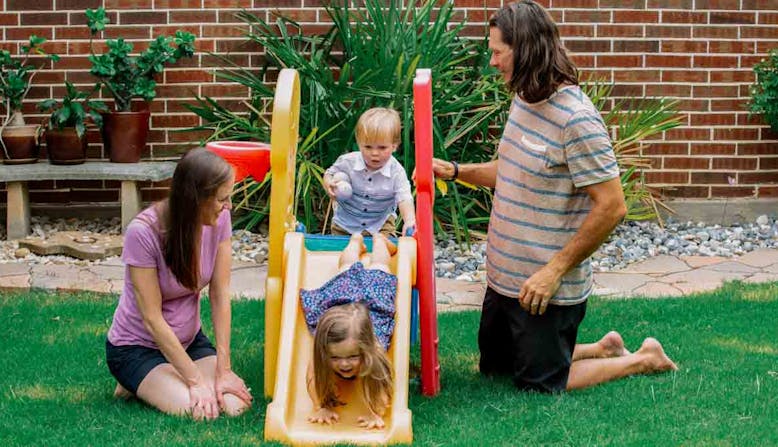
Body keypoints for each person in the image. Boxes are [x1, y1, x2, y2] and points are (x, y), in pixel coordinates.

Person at [430, 1, 677, 393]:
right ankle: (603, 347)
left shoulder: (576, 119)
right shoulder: (525, 99)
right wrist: (458, 172)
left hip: (543, 289)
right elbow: (511, 170)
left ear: (524, 50)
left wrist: (553, 271)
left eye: (497, 52)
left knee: (540, 385)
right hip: (504, 281)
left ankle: (643, 358)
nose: (492, 62)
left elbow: (612, 206)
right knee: (495, 369)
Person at [105, 148, 253, 420]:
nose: (228, 206)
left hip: (188, 341)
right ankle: (134, 378)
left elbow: (220, 294)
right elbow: (151, 318)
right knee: (203, 412)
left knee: (234, 405)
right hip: (138, 347)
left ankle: (156, 380)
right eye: (222, 199)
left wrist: (224, 369)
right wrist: (196, 381)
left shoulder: (219, 219)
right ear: (196, 199)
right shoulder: (143, 232)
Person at [300, 233, 396, 429]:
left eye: (353, 356)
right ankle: (354, 242)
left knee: (380, 268)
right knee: (345, 269)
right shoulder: (322, 347)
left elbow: (383, 384)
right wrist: (321, 406)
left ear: (366, 348)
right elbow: (312, 376)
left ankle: (381, 243)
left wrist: (376, 413)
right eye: (335, 358)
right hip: (342, 296)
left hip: (374, 299)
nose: (344, 364)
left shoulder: (374, 351)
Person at [322, 107, 415, 237]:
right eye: (368, 147)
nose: (374, 153)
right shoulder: (347, 161)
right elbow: (329, 173)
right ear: (359, 143)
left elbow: (404, 198)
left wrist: (409, 220)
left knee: (383, 252)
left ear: (394, 145)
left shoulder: (397, 172)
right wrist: (329, 184)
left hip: (381, 226)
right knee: (342, 253)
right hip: (345, 225)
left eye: (382, 147)